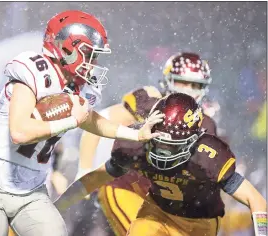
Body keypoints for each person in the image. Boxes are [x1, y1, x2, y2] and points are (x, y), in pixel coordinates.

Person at [0, 10, 164, 236]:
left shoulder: (78, 86)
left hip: (31, 189)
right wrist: (70, 121)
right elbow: (19, 132)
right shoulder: (34, 71)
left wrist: (136, 135)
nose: (94, 63)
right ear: (67, 48)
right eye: (90, 54)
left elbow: (91, 121)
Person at [55, 93, 267, 236]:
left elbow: (256, 200)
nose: (163, 152)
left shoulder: (208, 156)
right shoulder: (136, 145)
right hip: (156, 212)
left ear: (193, 141)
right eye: (159, 141)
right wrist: (56, 208)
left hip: (200, 222)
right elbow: (93, 179)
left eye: (172, 146)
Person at [75, 52, 219, 236]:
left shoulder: (206, 122)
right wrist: (85, 168)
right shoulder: (150, 101)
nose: (189, 90)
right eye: (182, 82)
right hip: (125, 189)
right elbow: (96, 124)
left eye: (195, 85)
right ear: (168, 80)